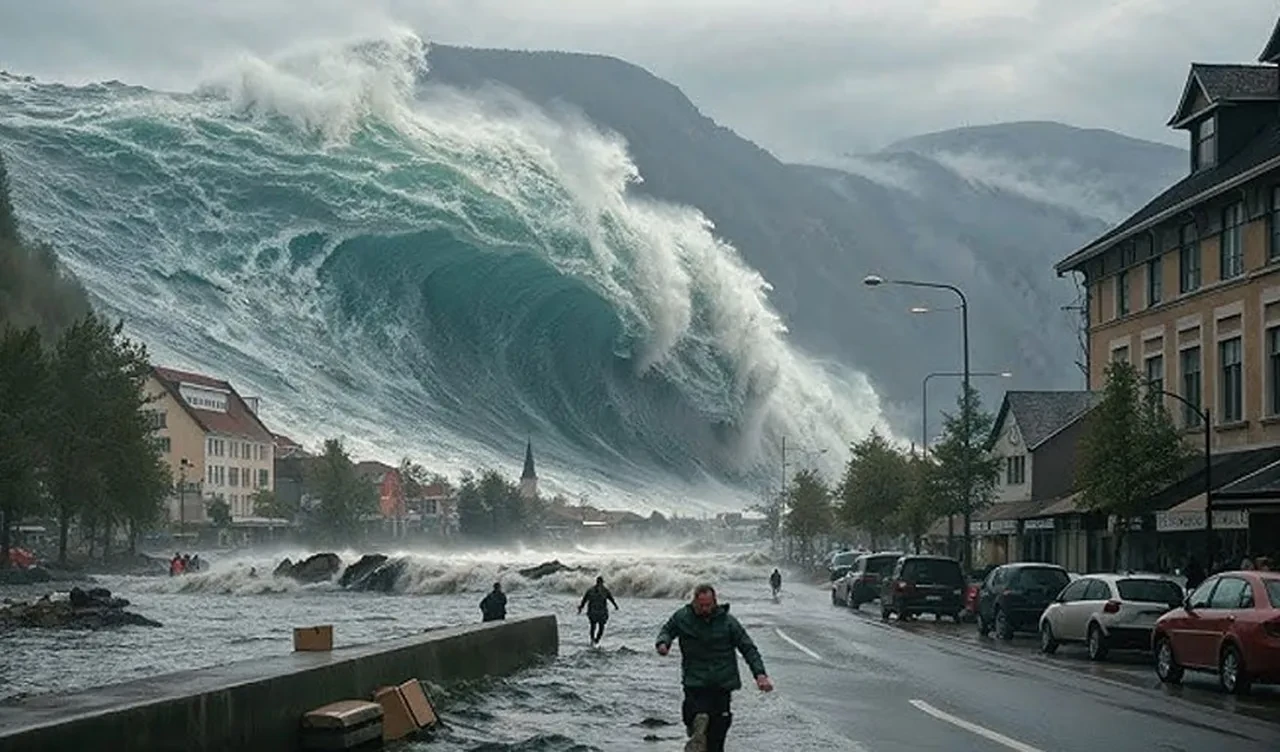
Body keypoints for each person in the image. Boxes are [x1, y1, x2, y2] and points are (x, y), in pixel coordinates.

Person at [656, 584, 773, 752]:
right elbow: (667, 630)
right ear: (694, 602)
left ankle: (700, 737)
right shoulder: (683, 617)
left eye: (708, 605)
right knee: (693, 715)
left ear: (715, 602)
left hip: (721, 683)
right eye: (701, 605)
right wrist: (663, 643)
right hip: (695, 681)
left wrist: (760, 675)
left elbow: (748, 648)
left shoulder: (728, 622)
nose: (704, 609)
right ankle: (696, 729)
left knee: (718, 735)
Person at [578, 576, 620, 646]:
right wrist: (615, 606)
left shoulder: (593, 590)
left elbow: (584, 601)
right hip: (598, 612)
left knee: (595, 627)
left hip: (596, 612)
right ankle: (595, 640)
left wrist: (581, 608)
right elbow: (611, 599)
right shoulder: (603, 590)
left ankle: (594, 640)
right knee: (598, 627)